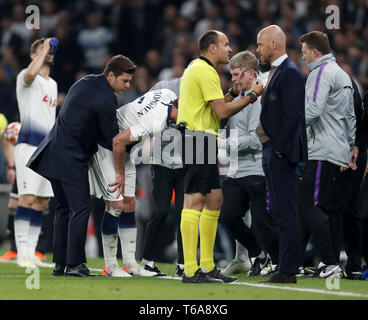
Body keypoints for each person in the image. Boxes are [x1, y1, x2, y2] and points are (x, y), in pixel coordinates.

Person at [27, 55, 136, 277]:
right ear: (111, 75)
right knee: (81, 208)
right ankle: (75, 264)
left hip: (52, 151)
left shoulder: (85, 81)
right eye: (124, 81)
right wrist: (135, 136)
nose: (128, 86)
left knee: (64, 208)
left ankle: (60, 263)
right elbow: (110, 140)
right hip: (70, 157)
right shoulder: (107, 98)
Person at [177, 30, 263, 283]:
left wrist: (233, 92)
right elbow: (222, 112)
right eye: (225, 45)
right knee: (194, 202)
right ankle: (192, 270)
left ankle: (207, 266)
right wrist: (250, 96)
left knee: (214, 200)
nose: (229, 49)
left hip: (199, 138)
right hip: (198, 139)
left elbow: (214, 108)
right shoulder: (206, 71)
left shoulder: (197, 68)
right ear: (212, 48)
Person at [91, 87, 180, 278]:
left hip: (125, 149)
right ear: (177, 107)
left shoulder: (168, 94)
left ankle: (130, 264)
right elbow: (118, 141)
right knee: (115, 204)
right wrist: (120, 174)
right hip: (107, 146)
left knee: (129, 204)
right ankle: (110, 266)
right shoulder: (156, 124)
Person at [298, 31, 356, 279]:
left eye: (304, 53)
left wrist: (289, 129)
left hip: (321, 149)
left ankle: (330, 261)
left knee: (309, 204)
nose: (303, 58)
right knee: (325, 207)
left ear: (315, 52)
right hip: (338, 150)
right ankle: (316, 261)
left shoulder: (320, 72)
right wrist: (349, 147)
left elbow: (312, 110)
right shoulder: (343, 74)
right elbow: (351, 117)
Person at [218, 51, 279, 276]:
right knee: (229, 216)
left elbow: (256, 139)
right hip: (235, 170)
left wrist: (222, 143)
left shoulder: (257, 101)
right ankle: (257, 255)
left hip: (256, 169)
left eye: (236, 75)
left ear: (250, 73)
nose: (233, 79)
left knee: (263, 221)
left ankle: (277, 262)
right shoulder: (238, 98)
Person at [256, 25, 307, 284]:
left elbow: (294, 115)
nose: (258, 50)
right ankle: (286, 267)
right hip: (272, 151)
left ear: (274, 44)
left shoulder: (289, 73)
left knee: (286, 212)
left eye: (260, 45)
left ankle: (288, 270)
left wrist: (279, 149)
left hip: (280, 153)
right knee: (278, 211)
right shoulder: (279, 72)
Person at [13, 38, 57, 268]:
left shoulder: (53, 84)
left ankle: (31, 253)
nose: (48, 52)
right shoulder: (25, 77)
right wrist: (43, 48)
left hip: (46, 149)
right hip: (28, 145)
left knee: (41, 203)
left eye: (50, 50)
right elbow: (31, 72)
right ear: (34, 54)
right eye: (41, 50)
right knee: (27, 198)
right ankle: (21, 253)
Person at [140, 77, 186, 277]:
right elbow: (146, 111)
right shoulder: (161, 87)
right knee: (161, 211)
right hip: (163, 159)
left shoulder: (161, 86)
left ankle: (184, 264)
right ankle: (148, 261)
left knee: (185, 214)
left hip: (187, 158)